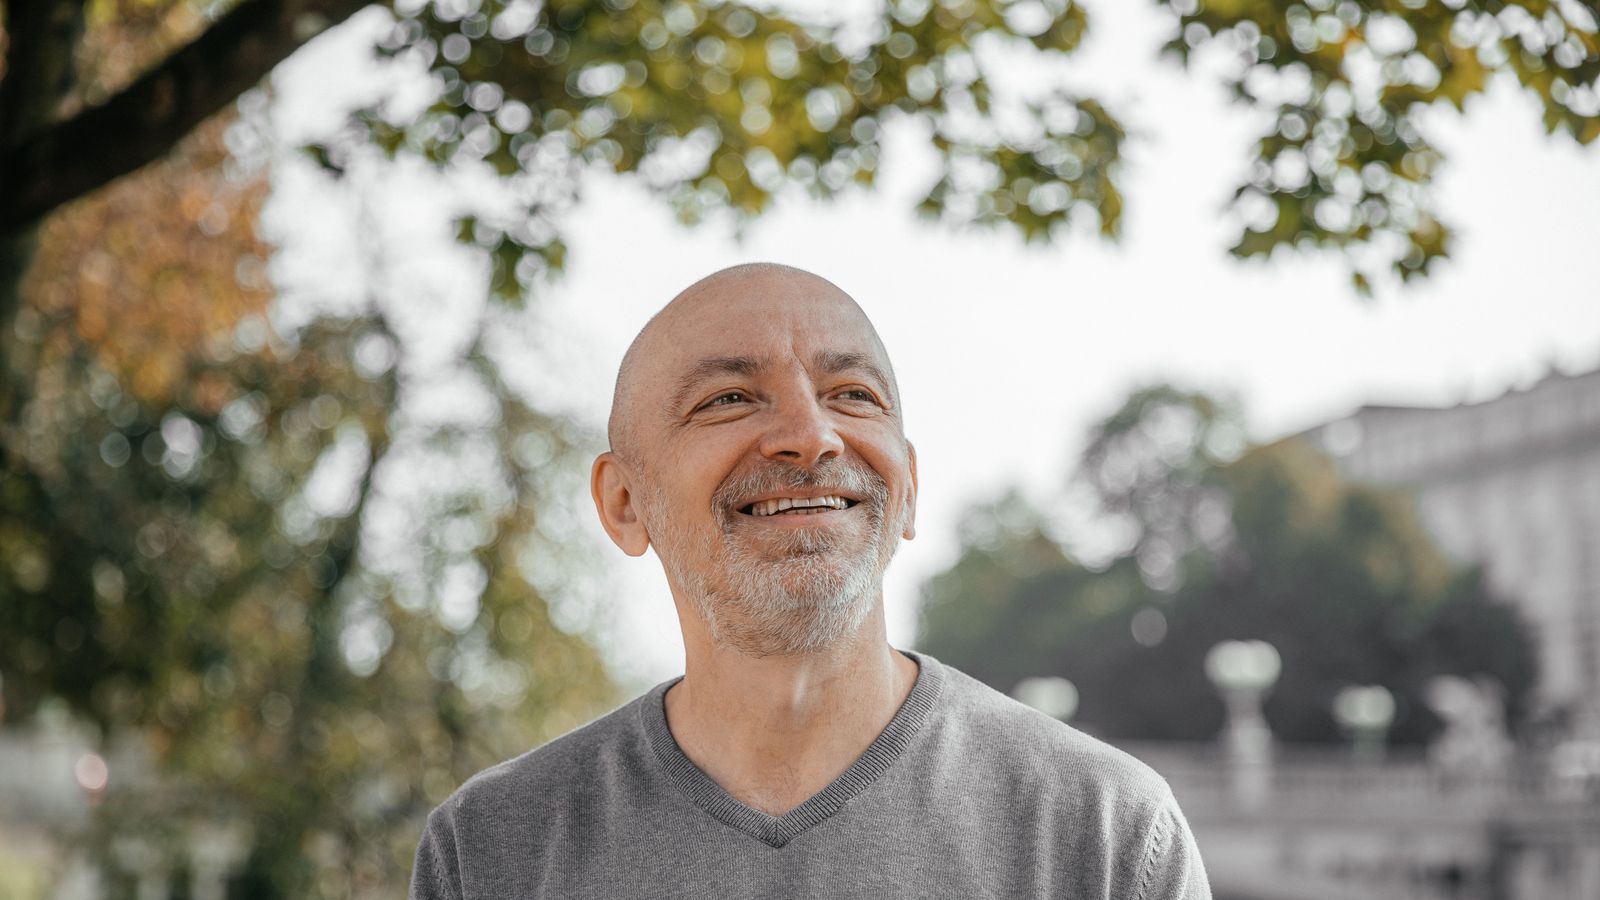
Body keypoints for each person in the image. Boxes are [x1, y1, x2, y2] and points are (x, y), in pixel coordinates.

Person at [410, 263, 1212, 899]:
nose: (811, 435)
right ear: (624, 503)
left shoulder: (1106, 834)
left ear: (909, 488)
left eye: (853, 395)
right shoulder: (491, 849)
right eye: (729, 399)